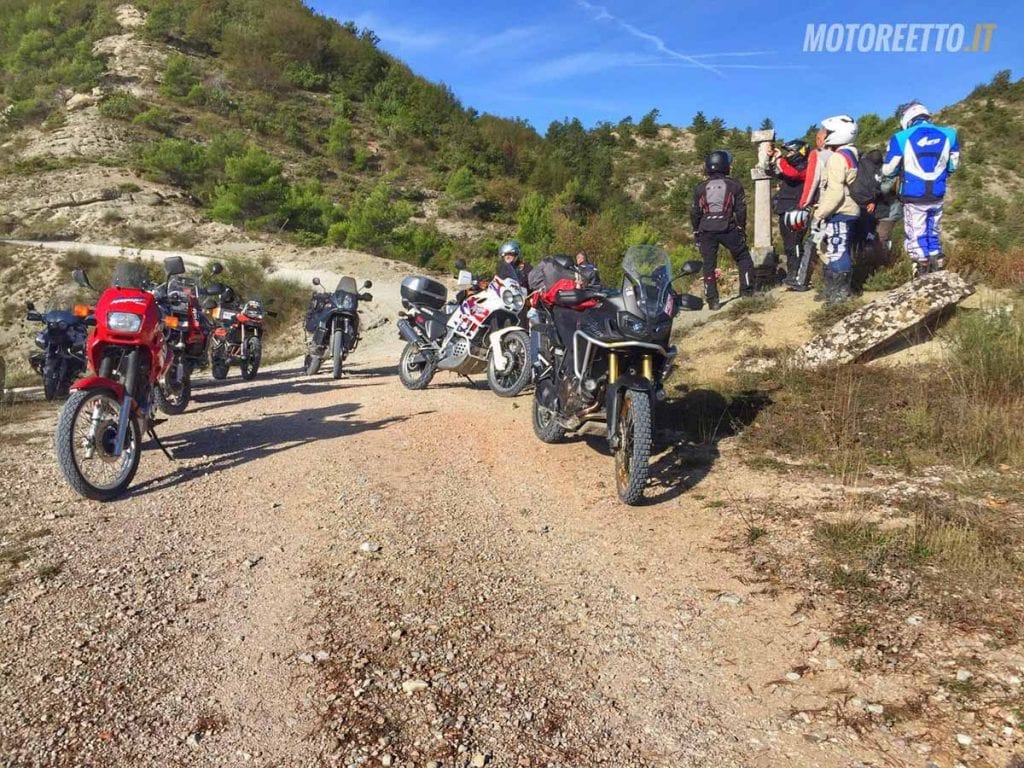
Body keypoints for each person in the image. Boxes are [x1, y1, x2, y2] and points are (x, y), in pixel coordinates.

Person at [882, 102, 960, 278]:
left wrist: (900, 168)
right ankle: (938, 269)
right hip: (937, 193)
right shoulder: (950, 135)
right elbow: (954, 165)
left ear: (907, 118)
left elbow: (888, 170)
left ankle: (921, 274)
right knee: (932, 232)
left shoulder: (901, 137)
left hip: (913, 195)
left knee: (915, 235)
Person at [799, 115, 860, 305]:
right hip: (847, 210)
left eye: (828, 132)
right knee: (832, 249)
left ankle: (839, 296)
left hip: (841, 211)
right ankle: (831, 290)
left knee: (837, 251)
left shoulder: (837, 158)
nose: (825, 135)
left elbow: (835, 193)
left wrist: (819, 214)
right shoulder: (852, 153)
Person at [690, 150, 753, 310]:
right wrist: (741, 228)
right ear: (725, 165)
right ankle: (747, 292)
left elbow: (695, 213)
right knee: (743, 257)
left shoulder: (700, 188)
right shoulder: (734, 184)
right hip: (727, 227)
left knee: (709, 264)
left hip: (706, 228)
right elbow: (741, 210)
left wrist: (696, 232)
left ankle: (713, 301)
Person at [767, 139, 811, 291]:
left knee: (795, 243)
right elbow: (773, 172)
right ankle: (793, 274)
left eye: (791, 152)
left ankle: (800, 277)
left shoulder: (805, 166)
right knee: (788, 245)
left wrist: (780, 159)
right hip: (785, 208)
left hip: (797, 209)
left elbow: (792, 174)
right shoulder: (789, 165)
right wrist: (772, 158)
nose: (789, 155)